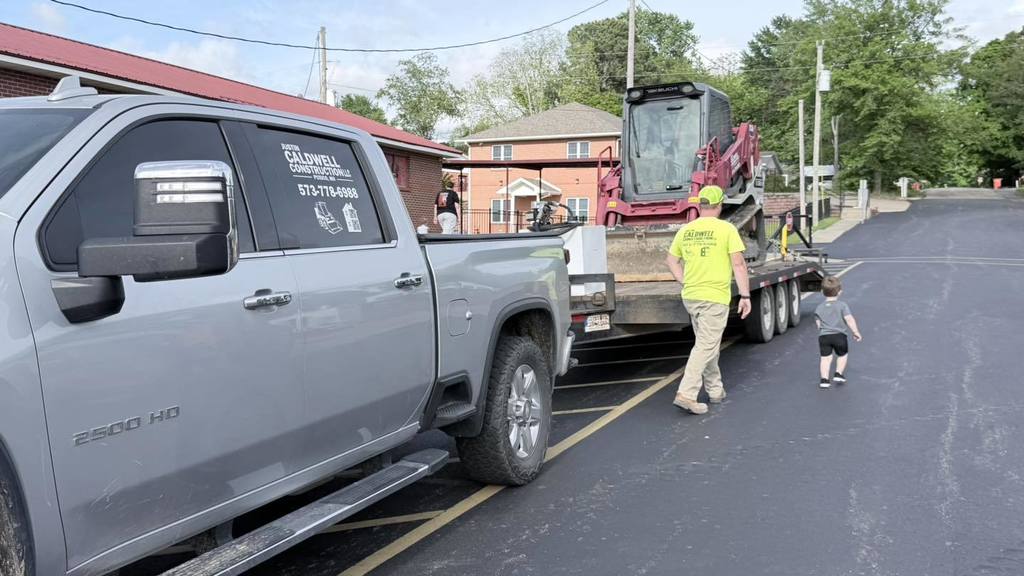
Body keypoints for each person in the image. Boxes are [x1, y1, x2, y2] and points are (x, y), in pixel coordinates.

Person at [664, 185, 752, 415]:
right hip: (714, 296)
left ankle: (715, 390)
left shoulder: (686, 230)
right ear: (720, 205)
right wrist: (745, 295)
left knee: (707, 342)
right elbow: (738, 264)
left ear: (700, 205)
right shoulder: (726, 229)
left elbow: (671, 261)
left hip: (692, 296)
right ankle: (687, 393)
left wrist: (685, 281)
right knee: (705, 345)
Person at [815, 276, 862, 388]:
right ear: (840, 292)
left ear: (822, 291)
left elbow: (818, 324)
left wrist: (823, 332)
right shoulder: (842, 305)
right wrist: (855, 332)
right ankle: (838, 373)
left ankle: (824, 380)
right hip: (839, 336)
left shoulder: (819, 308)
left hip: (824, 337)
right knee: (842, 355)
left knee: (825, 358)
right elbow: (849, 319)